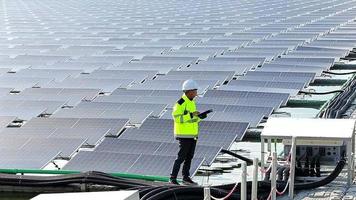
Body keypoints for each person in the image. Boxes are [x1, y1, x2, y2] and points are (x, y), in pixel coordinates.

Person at [169, 79, 208, 185]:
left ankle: (186, 177)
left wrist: (200, 117)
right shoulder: (180, 103)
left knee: (189, 157)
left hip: (192, 135)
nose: (196, 94)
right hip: (184, 135)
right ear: (189, 91)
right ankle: (172, 178)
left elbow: (192, 119)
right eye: (195, 91)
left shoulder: (192, 103)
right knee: (181, 157)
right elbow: (177, 118)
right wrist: (191, 115)